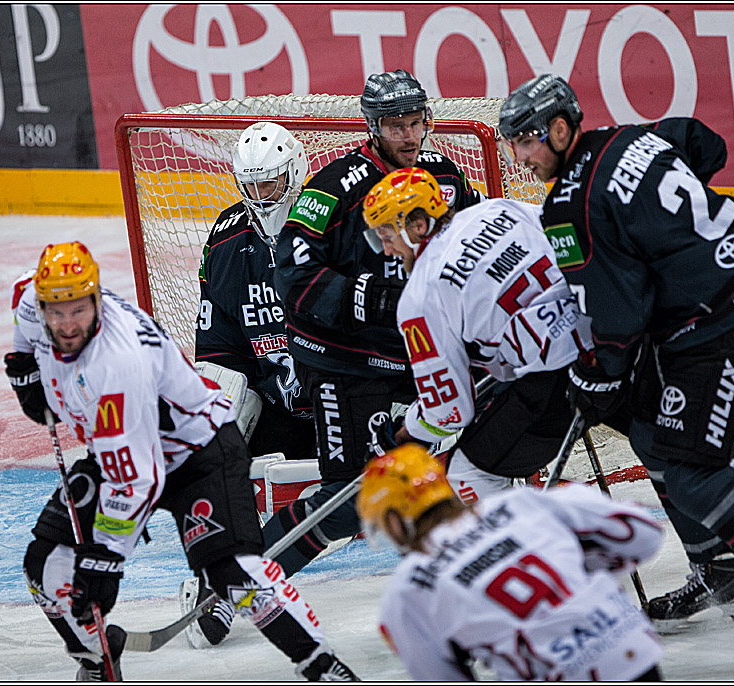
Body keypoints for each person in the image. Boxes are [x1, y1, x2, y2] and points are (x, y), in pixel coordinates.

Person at [499, 73, 734, 670]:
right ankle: (730, 567)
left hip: (718, 324)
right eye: (513, 143)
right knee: (665, 439)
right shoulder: (633, 137)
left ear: (561, 129)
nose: (520, 156)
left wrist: (593, 380)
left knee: (697, 475)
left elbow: (616, 317)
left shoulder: (569, 207)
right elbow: (705, 143)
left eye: (526, 140)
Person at [5, 241, 357, 681]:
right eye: (57, 313)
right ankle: (97, 660)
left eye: (78, 310)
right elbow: (25, 329)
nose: (68, 323)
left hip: (199, 453)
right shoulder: (30, 301)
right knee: (44, 563)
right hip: (124, 450)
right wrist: (24, 365)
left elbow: (138, 479)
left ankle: (324, 667)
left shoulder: (119, 361)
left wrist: (106, 558)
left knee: (236, 577)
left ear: (96, 299)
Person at [265, 69, 482, 577]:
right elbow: (292, 273)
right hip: (343, 360)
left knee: (472, 462)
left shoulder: (445, 177)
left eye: (415, 122)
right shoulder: (333, 187)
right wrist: (376, 302)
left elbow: (476, 240)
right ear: (372, 127)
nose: (408, 136)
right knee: (350, 498)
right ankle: (241, 574)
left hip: (416, 354)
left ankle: (467, 578)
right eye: (394, 126)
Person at [360, 166, 595, 501]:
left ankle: (525, 537)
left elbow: (451, 410)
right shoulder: (497, 209)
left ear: (418, 225)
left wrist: (404, 433)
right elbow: (572, 234)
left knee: (466, 475)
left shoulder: (419, 296)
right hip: (608, 335)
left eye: (386, 235)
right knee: (665, 448)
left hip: (557, 377)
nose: (386, 250)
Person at [356, 443, 665, 681]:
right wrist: (582, 574)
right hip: (631, 649)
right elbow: (644, 533)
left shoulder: (408, 586)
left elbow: (438, 676)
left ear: (395, 521)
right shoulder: (518, 502)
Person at [182, 123, 319, 648]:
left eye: (271, 183)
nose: (261, 197)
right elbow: (221, 355)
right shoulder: (227, 242)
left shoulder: (331, 225)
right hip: (279, 408)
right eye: (251, 185)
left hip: (342, 398)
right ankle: (220, 577)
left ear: (295, 174)